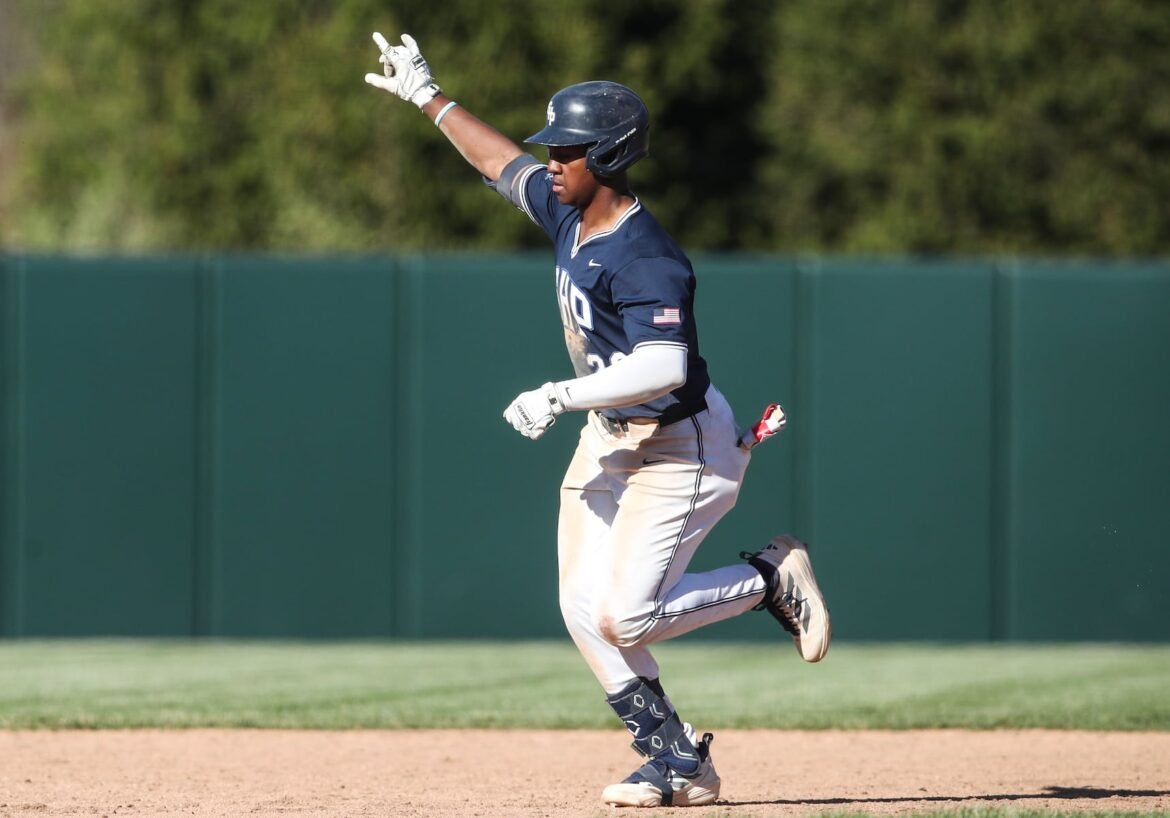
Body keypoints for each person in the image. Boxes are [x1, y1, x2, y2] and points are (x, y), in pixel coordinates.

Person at [365, 31, 832, 808]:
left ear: (609, 158)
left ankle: (768, 577)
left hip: (682, 447)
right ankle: (677, 760)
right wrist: (426, 93)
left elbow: (664, 367)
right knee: (582, 606)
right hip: (611, 438)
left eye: (569, 149)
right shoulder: (566, 209)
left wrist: (556, 394)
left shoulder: (647, 255)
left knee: (629, 616)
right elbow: (495, 161)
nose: (551, 160)